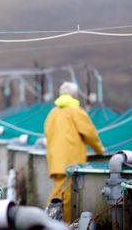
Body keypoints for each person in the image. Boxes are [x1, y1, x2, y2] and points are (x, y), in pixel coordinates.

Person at [44, 81, 104, 224]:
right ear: (74, 95)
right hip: (70, 162)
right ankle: (59, 225)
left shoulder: (52, 113)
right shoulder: (76, 112)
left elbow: (47, 133)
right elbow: (90, 134)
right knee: (66, 199)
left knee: (57, 195)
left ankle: (48, 222)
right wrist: (100, 150)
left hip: (55, 161)